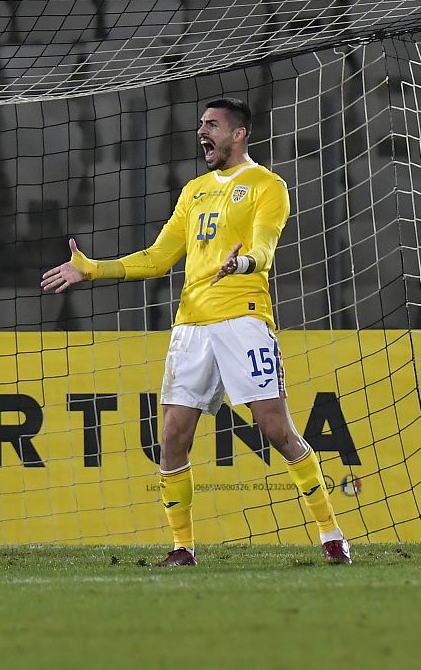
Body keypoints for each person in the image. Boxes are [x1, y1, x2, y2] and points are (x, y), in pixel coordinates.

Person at [40, 97, 351, 566]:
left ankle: (331, 534)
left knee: (276, 429)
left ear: (239, 132)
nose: (202, 132)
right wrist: (92, 270)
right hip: (190, 327)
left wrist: (244, 262)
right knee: (172, 437)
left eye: (212, 125)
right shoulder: (194, 191)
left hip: (244, 320)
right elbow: (158, 257)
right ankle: (183, 547)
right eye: (200, 125)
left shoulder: (268, 185)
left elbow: (265, 245)